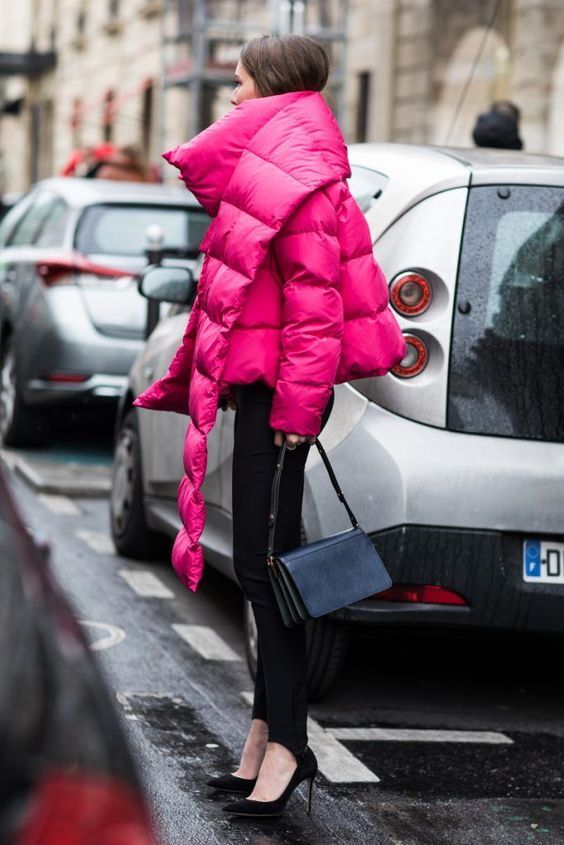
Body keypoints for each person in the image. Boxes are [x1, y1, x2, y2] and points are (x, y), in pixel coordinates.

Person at [133, 34, 405, 818]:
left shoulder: (302, 176)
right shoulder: (285, 166)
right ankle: (263, 735)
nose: (232, 96)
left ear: (273, 87)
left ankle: (289, 743)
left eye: (241, 81)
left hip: (281, 402)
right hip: (264, 393)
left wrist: (294, 410)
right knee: (259, 563)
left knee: (264, 569)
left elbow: (316, 309)